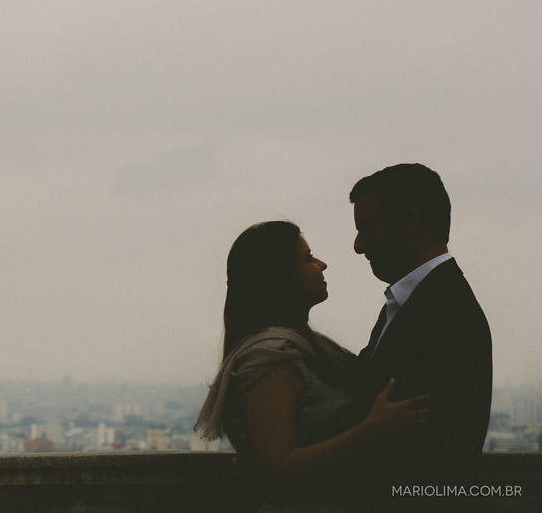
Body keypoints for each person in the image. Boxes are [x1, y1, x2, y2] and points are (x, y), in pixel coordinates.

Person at [195, 221, 427, 511]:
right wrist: (371, 431)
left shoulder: (306, 349)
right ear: (278, 276)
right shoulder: (270, 360)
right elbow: (276, 469)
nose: (322, 264)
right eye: (308, 258)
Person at [348, 164, 492, 500]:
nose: (357, 245)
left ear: (411, 224)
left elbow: (417, 450)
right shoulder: (424, 301)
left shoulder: (444, 313)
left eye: (367, 228)